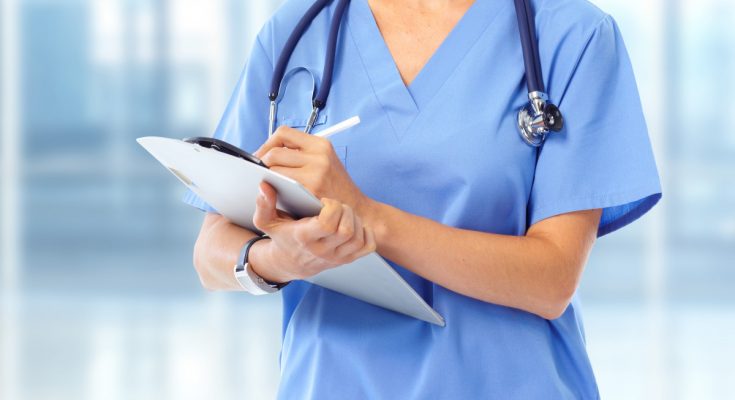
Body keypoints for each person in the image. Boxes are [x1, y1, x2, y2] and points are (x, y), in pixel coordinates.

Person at [185, 0, 662, 397]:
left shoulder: (570, 35)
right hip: (331, 382)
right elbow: (211, 254)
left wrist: (370, 219)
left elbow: (552, 279)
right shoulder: (296, 32)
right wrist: (278, 260)